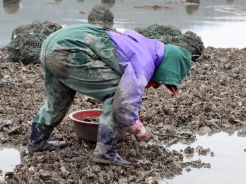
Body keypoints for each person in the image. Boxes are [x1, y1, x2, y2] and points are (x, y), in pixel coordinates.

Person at [28, 24, 192, 165]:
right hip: (71, 48)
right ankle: (105, 152)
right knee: (117, 95)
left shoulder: (139, 44)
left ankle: (37, 141)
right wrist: (137, 128)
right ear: (167, 66)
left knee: (58, 99)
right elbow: (125, 102)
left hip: (52, 43)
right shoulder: (145, 61)